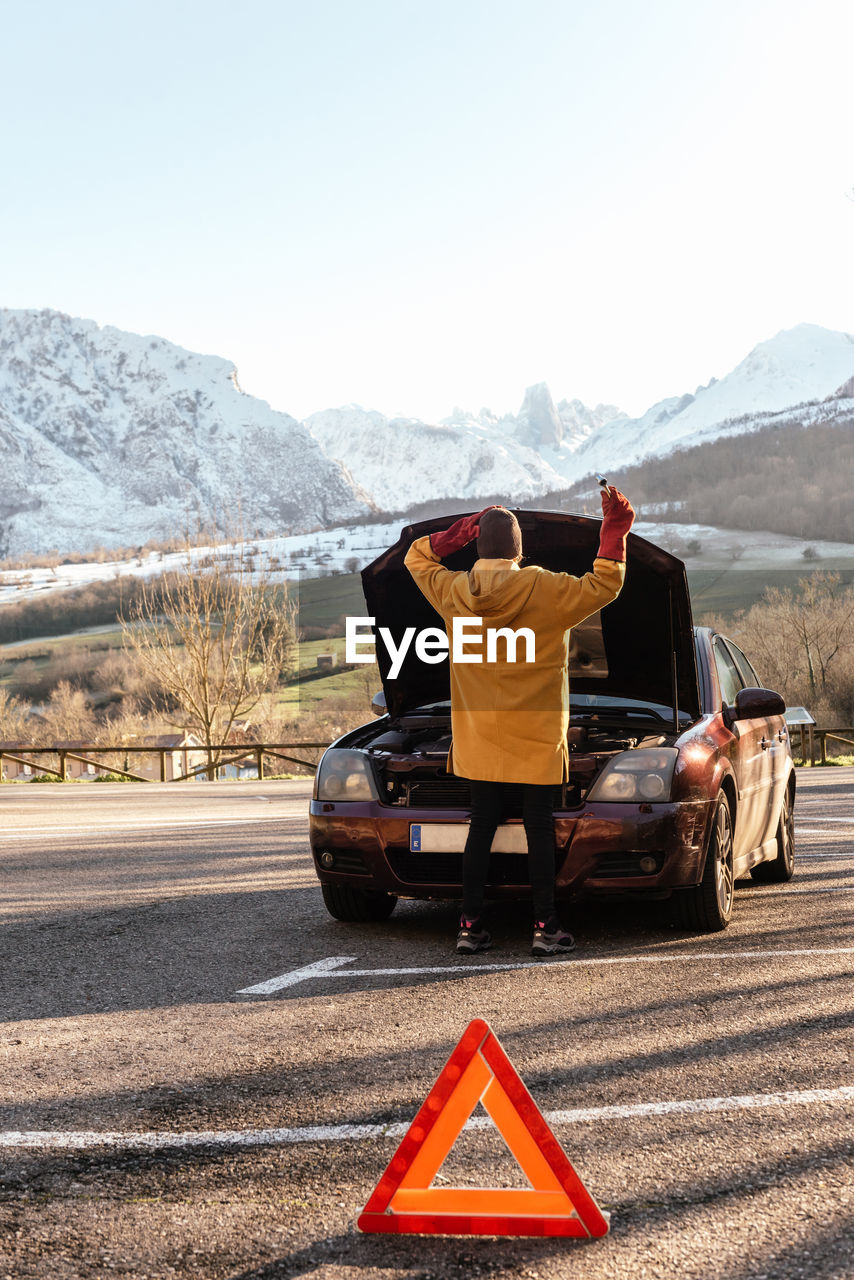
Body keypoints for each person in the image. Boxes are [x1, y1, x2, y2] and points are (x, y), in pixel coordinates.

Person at [404, 488, 635, 957]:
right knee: (537, 826)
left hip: (479, 737)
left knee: (482, 825)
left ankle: (469, 926)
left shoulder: (453, 592)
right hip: (536, 736)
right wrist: (614, 528)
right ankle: (545, 926)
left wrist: (453, 536)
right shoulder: (547, 590)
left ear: (478, 546)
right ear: (519, 551)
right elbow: (605, 583)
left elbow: (416, 558)